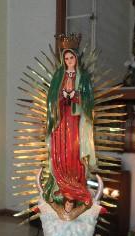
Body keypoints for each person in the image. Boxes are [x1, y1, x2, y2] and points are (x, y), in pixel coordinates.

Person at [44, 44, 95, 207]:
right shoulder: (58, 76)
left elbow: (88, 100)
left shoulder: (83, 77)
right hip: (60, 121)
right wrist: (61, 96)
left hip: (75, 121)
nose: (69, 61)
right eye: (66, 58)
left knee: (73, 150)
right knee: (60, 151)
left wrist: (75, 95)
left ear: (76, 59)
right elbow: (51, 100)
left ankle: (76, 184)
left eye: (71, 58)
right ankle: (61, 183)